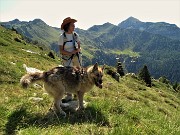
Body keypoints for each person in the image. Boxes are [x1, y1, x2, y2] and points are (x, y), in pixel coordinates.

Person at [58, 17, 82, 102]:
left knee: (78, 74)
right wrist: (70, 53)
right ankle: (69, 95)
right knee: (69, 76)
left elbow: (79, 45)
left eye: (74, 25)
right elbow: (61, 50)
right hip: (67, 59)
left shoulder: (75, 35)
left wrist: (78, 50)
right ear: (68, 26)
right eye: (72, 25)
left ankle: (78, 93)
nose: (74, 26)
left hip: (76, 58)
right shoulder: (62, 37)